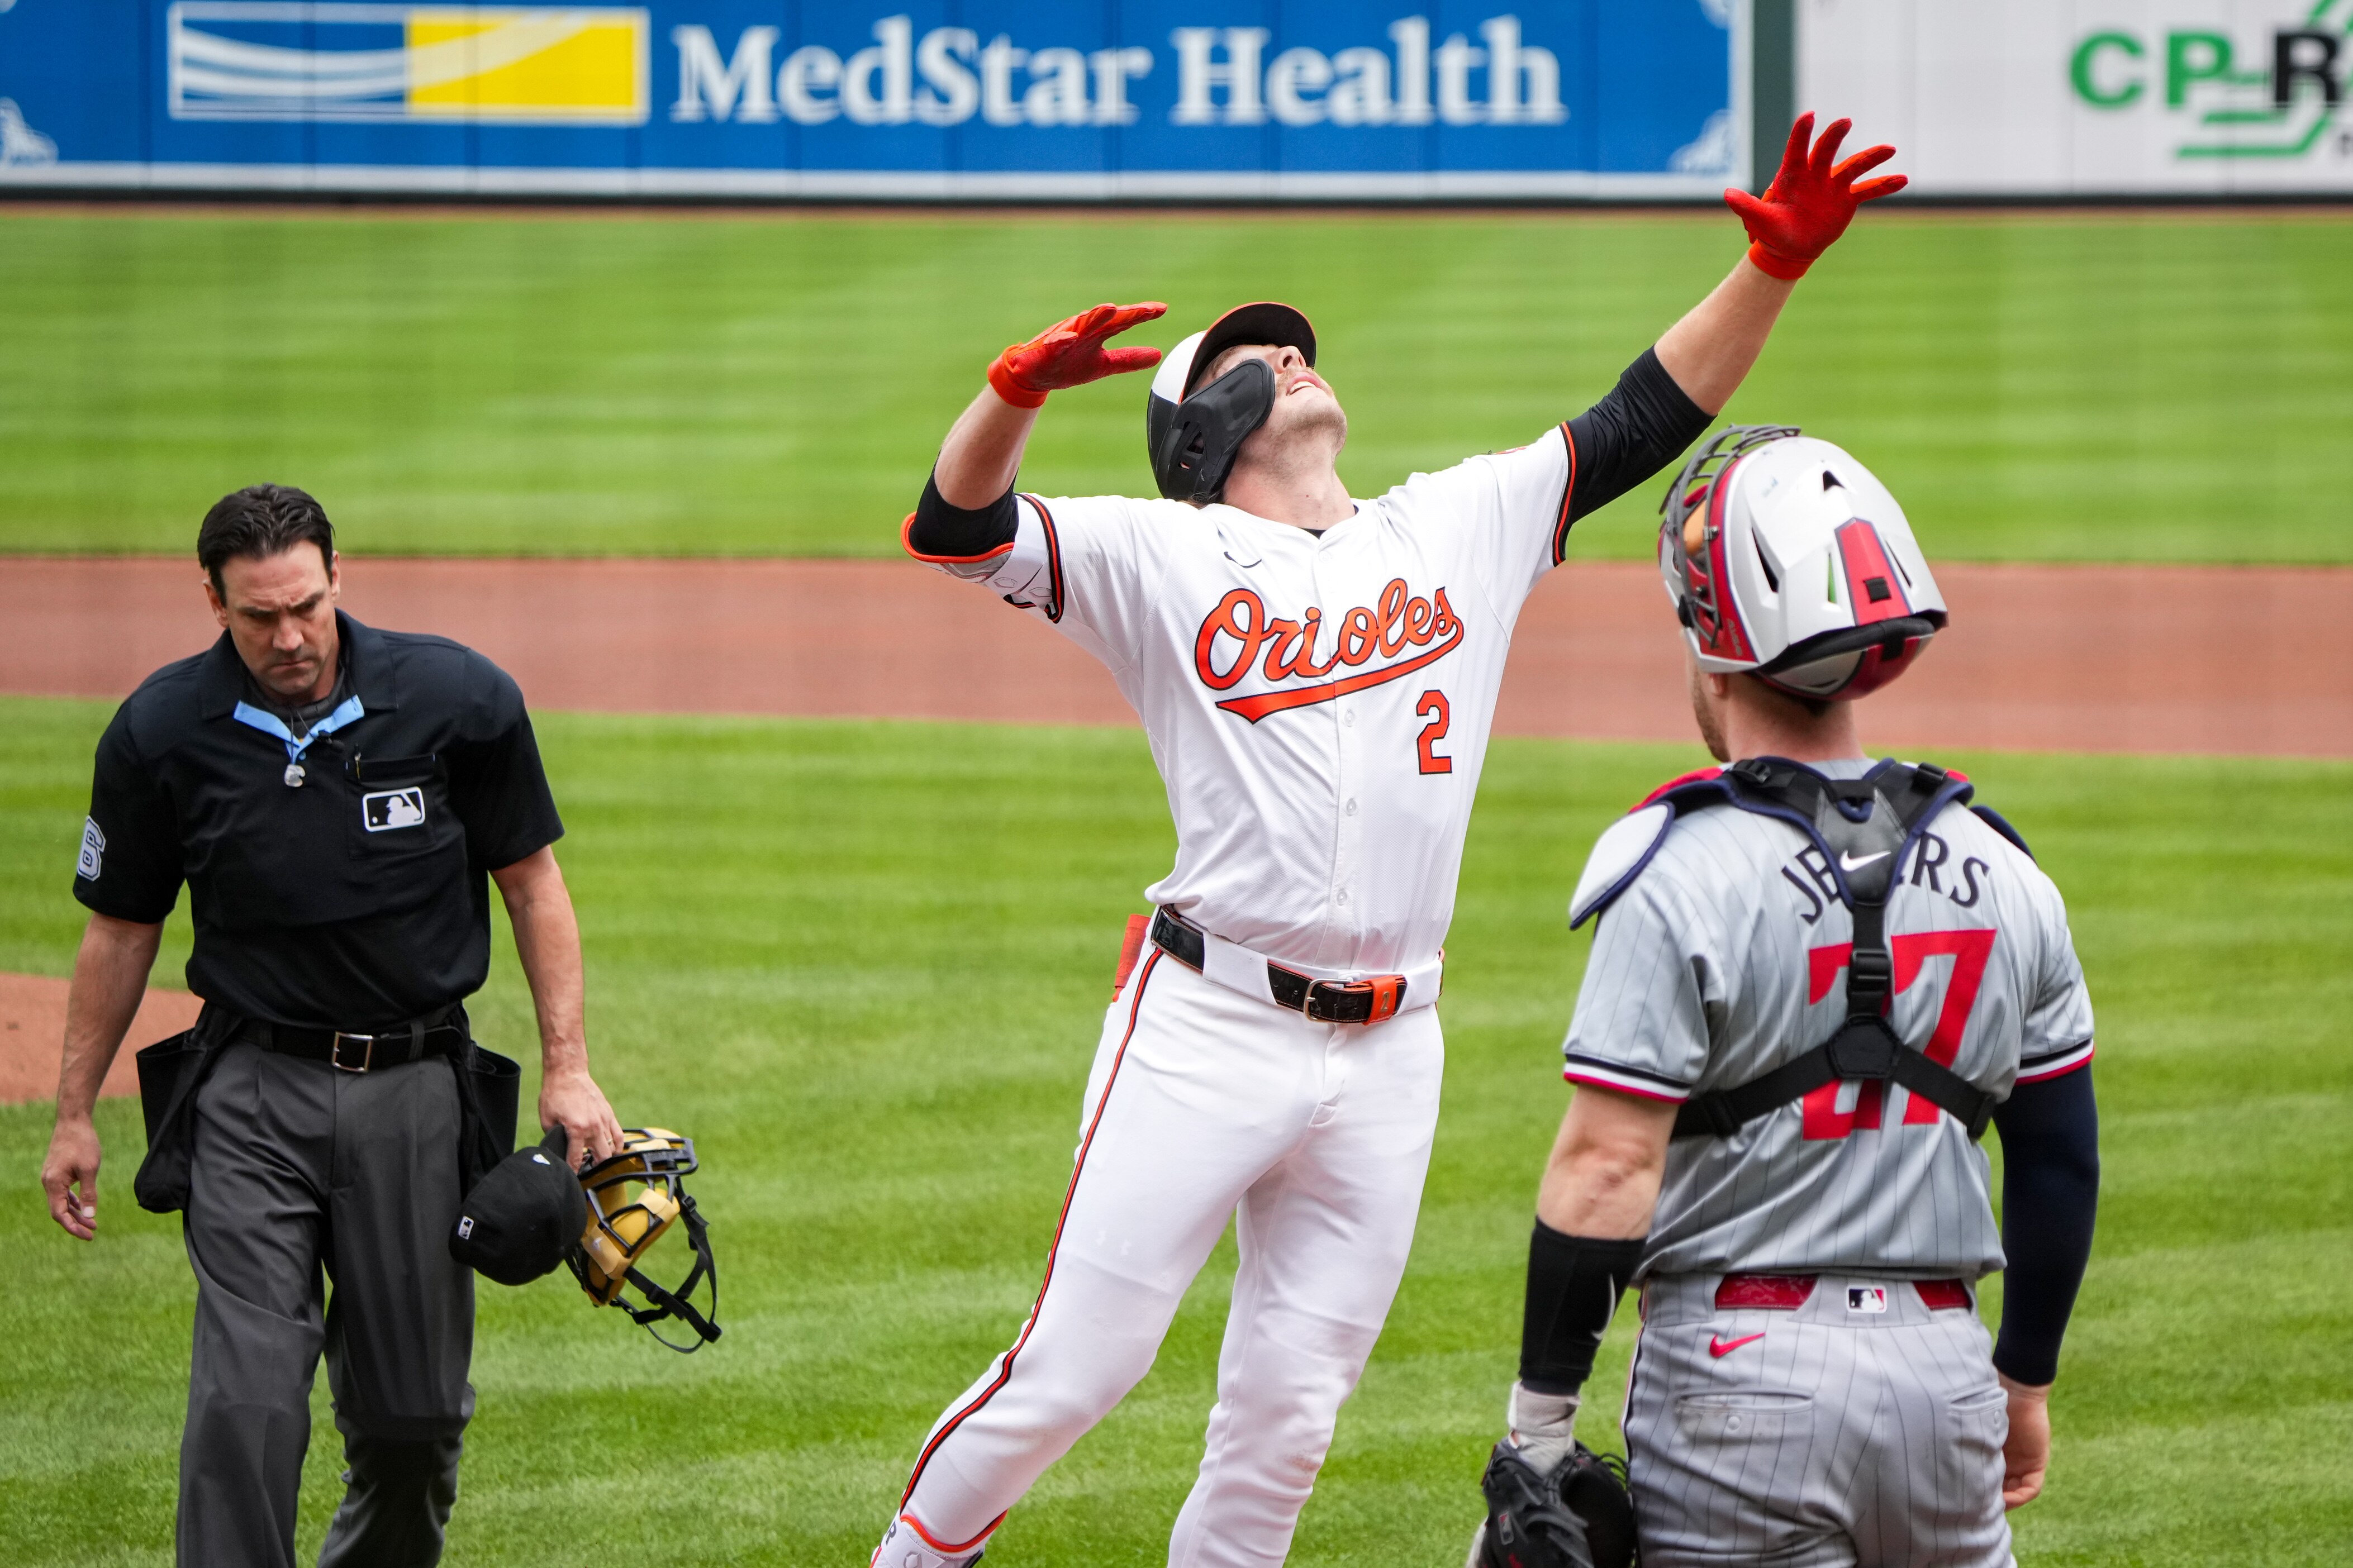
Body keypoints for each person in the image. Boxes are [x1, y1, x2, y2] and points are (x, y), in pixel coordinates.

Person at [873, 117, 1909, 1568]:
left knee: (1287, 1420)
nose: (1289, 357)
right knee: (1073, 1374)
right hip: (1206, 1022)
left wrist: (1769, 263)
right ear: (1198, 433)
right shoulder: (1151, 555)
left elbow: (1640, 419)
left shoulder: (1453, 527)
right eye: (1251, 358)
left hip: (1391, 1048)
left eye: (1290, 345)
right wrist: (1011, 396)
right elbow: (955, 526)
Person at [1470, 427, 2102, 1568]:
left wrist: (1541, 1429)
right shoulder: (2011, 875)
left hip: (1735, 1387)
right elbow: (2058, 1156)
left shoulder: (1678, 873)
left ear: (1712, 640)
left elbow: (1607, 1168)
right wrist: (2025, 1378)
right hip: (1946, 1384)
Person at [37, 484, 625, 1568]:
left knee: (413, 1424)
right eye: (259, 616)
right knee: (247, 1404)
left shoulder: (455, 698)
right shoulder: (163, 733)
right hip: (251, 1095)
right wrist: (75, 1111)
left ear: (337, 577)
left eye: (306, 604)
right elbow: (120, 933)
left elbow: (534, 883)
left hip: (415, 1093)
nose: (290, 636)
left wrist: (570, 1068)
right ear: (211, 599)